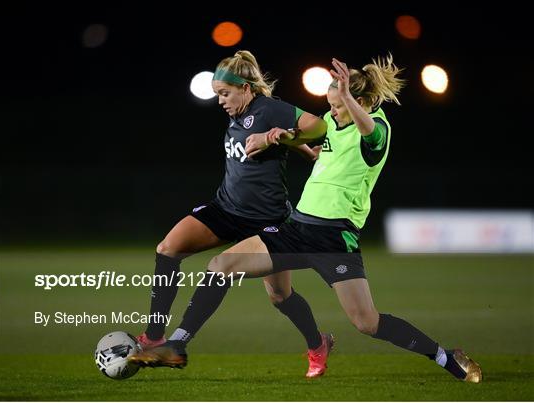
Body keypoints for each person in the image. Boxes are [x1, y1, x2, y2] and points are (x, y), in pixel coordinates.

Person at [130, 55, 482, 383]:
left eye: (339, 106)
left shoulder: (377, 130)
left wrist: (348, 101)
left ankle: (443, 356)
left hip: (334, 239)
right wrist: (279, 138)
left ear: (361, 104)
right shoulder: (334, 119)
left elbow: (366, 132)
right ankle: (176, 344)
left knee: (367, 323)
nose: (333, 114)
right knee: (221, 265)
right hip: (296, 228)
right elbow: (317, 149)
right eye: (330, 106)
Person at [136, 50, 333, 378]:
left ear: (246, 87)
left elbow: (320, 126)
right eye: (217, 95)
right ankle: (156, 337)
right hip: (227, 208)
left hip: (268, 222)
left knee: (281, 297)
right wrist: (287, 143)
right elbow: (272, 139)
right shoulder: (241, 112)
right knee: (167, 249)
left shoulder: (269, 107)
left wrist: (287, 138)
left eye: (224, 93)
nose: (220, 101)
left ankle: (318, 343)